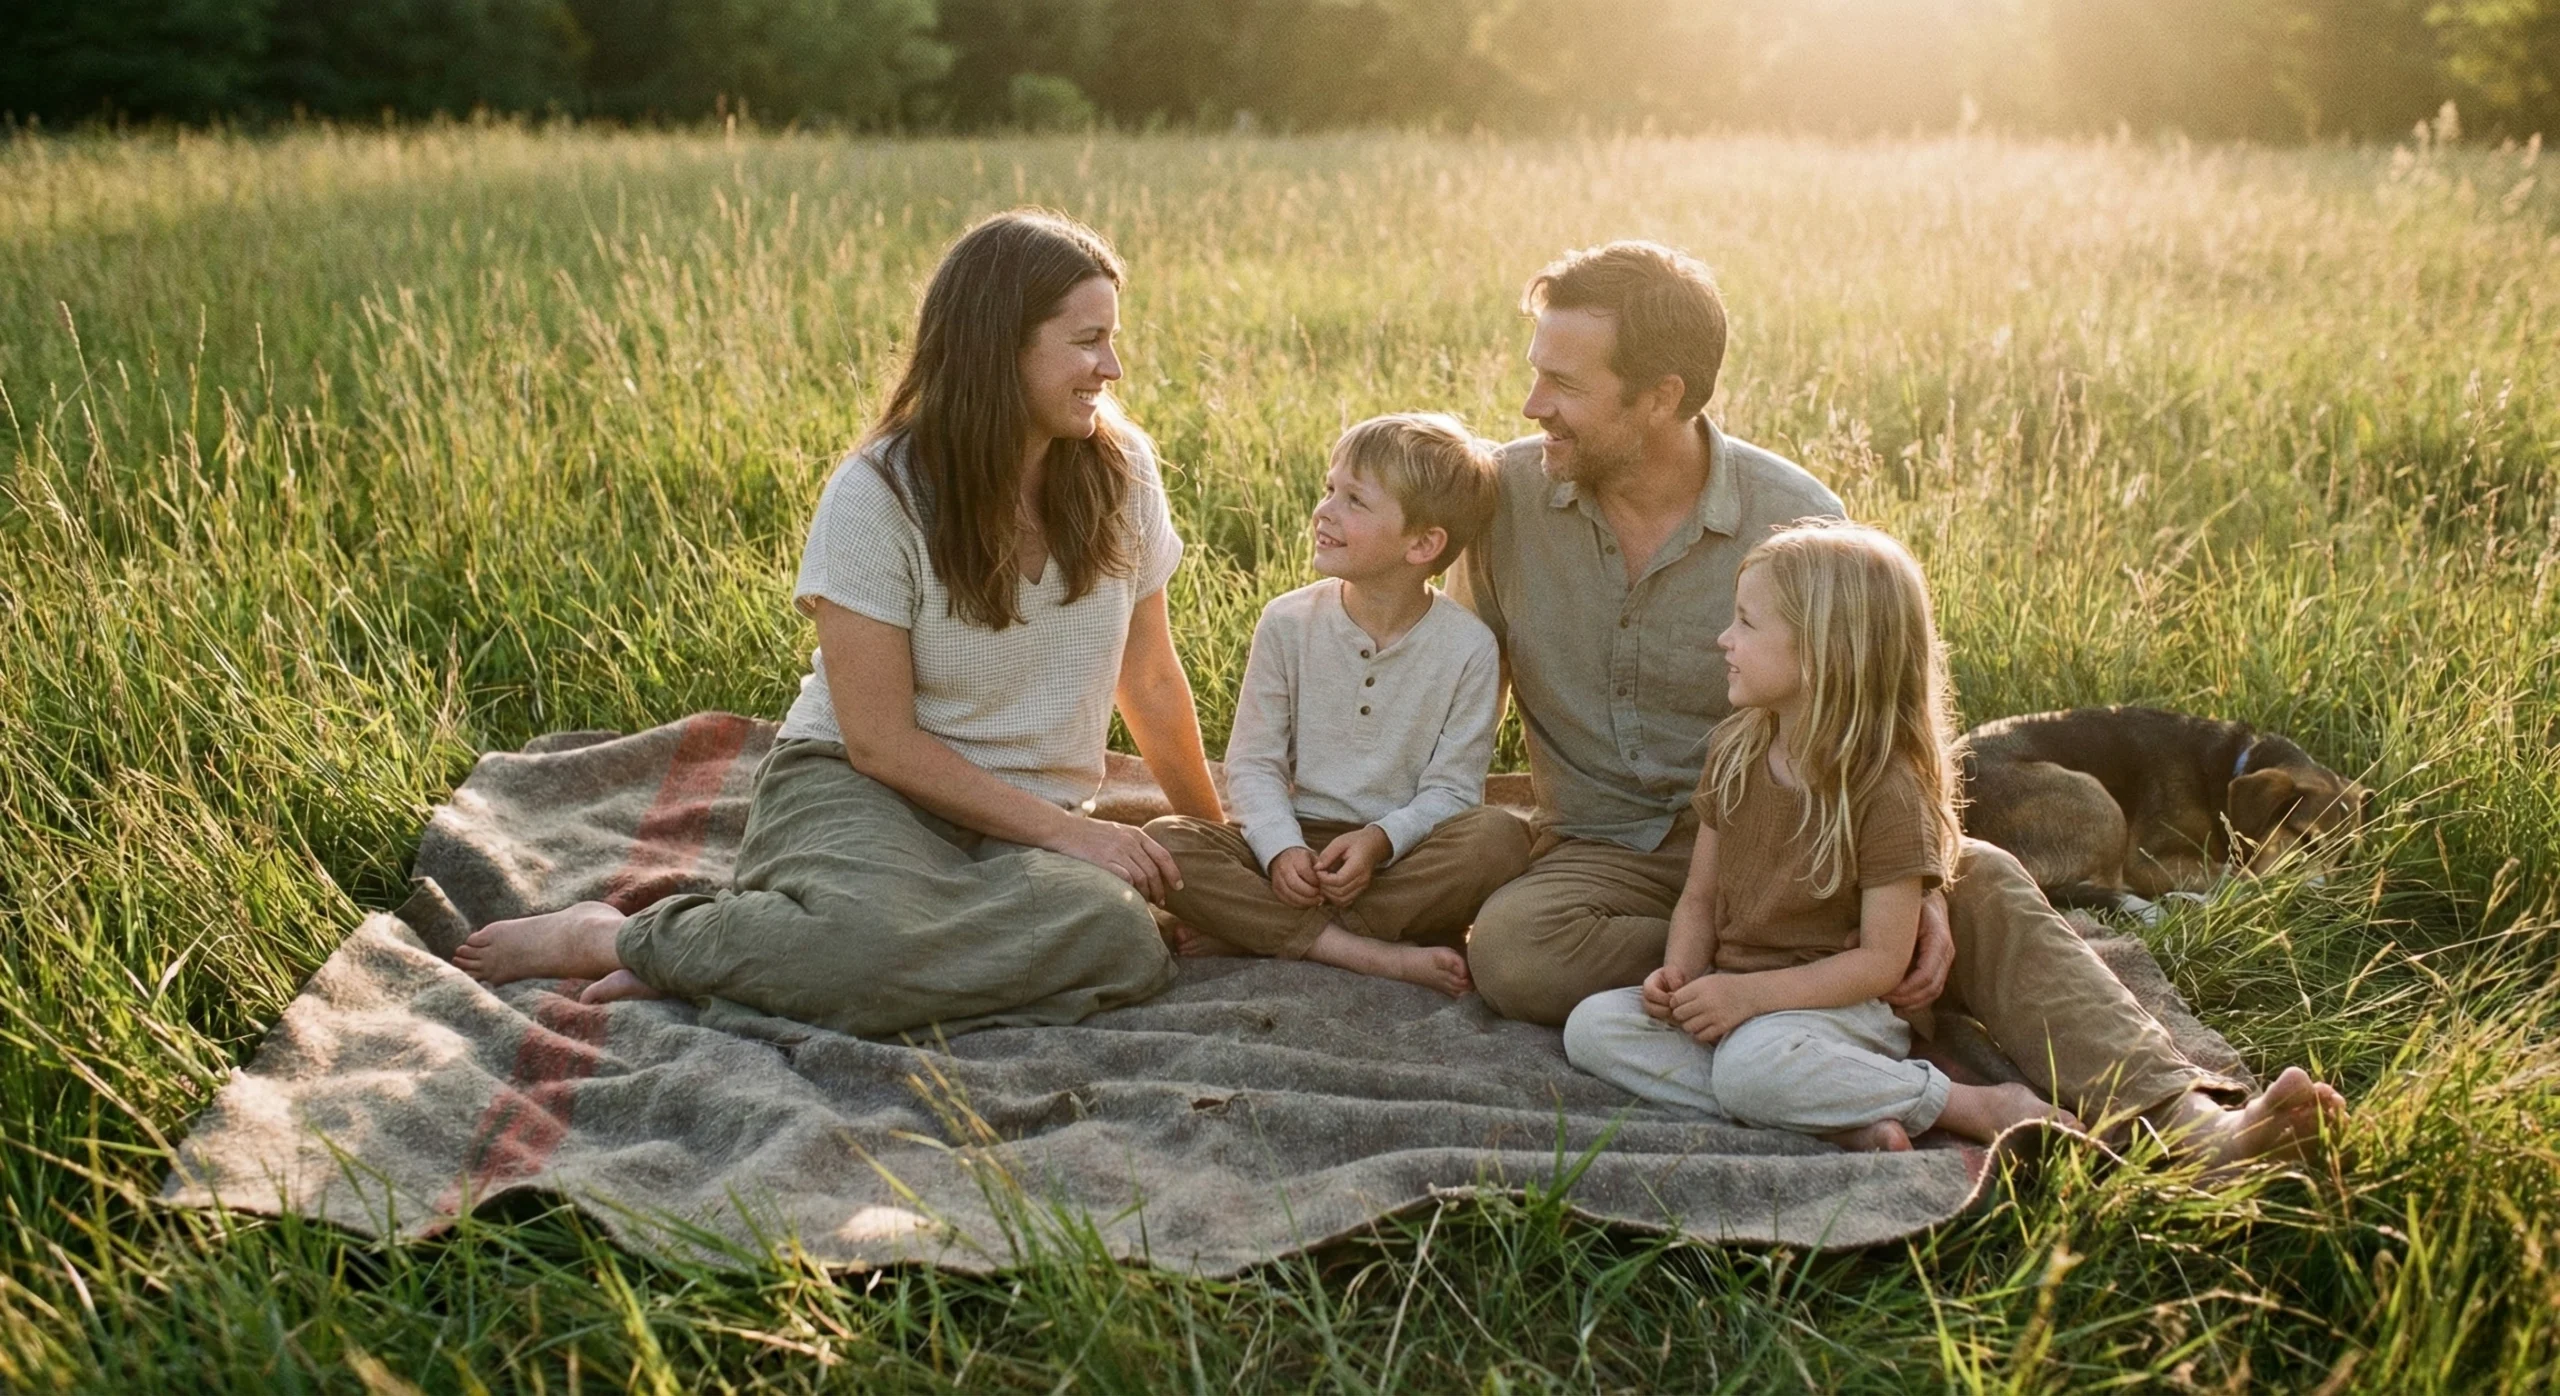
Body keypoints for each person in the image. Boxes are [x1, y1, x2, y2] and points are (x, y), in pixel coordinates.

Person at [1455, 239, 2344, 1166]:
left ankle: (2190, 1125)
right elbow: (1452, 686)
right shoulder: (1507, 499)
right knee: (1515, 949)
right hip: (1603, 859)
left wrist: (1919, 879)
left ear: (1662, 396)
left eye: (1562, 383)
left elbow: (1896, 714)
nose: (1531, 408)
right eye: (1535, 376)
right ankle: (1846, 1022)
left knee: (1987, 882)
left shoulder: (1796, 519)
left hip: (1810, 841)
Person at [451, 208, 1226, 1039]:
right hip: (862, 789)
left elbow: (1147, 678)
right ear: (999, 345)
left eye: (1112, 338)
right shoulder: (877, 495)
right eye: (1087, 339)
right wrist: (1085, 841)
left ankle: (767, 967)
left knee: (1121, 939)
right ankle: (624, 939)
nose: (1111, 366)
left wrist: (1219, 866)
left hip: (1026, 816)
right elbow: (880, 744)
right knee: (870, 946)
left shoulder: (1122, 471)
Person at [1565, 522, 2077, 1150]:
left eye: (1747, 624)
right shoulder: (1735, 751)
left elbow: (1880, 962)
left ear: (1822, 651)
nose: (1724, 640)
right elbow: (1699, 897)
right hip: (1739, 1000)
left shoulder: (1884, 789)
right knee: (1592, 1028)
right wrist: (1680, 976)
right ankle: (1844, 1113)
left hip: (1841, 1012)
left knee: (1754, 1068)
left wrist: (1751, 998)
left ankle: (1968, 1104)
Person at [1146, 414, 1530, 996]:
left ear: (1422, 543)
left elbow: (1453, 793)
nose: (1324, 511)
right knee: (1164, 840)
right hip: (1292, 847)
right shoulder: (1287, 622)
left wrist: (1378, 841)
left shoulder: (1469, 648)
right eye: (1330, 489)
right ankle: (1363, 951)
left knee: (1499, 837)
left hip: (1400, 858)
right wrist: (1279, 850)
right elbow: (1253, 765)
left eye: (1354, 500)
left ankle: (1262, 932)